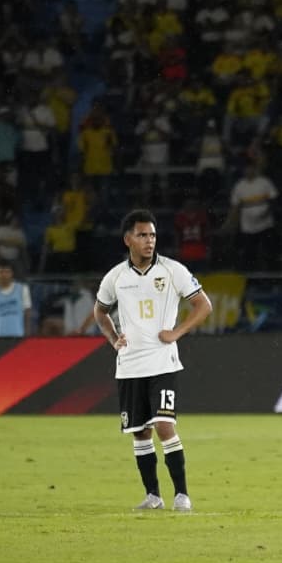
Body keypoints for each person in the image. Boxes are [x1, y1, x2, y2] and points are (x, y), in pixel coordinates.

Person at [92, 209, 213, 512]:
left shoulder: (173, 271)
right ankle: (153, 496)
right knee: (140, 431)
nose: (149, 241)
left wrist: (177, 332)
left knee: (163, 425)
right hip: (130, 365)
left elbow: (203, 305)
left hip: (162, 363)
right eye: (143, 235)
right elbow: (100, 311)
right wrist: (113, 338)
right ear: (128, 239)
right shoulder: (116, 277)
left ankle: (182, 495)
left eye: (153, 235)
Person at [0, 262, 33, 337]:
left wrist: (27, 335)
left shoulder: (23, 289)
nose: (4, 275)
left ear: (12, 273)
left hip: (19, 336)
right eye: (1, 272)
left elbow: (27, 315)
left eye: (7, 272)